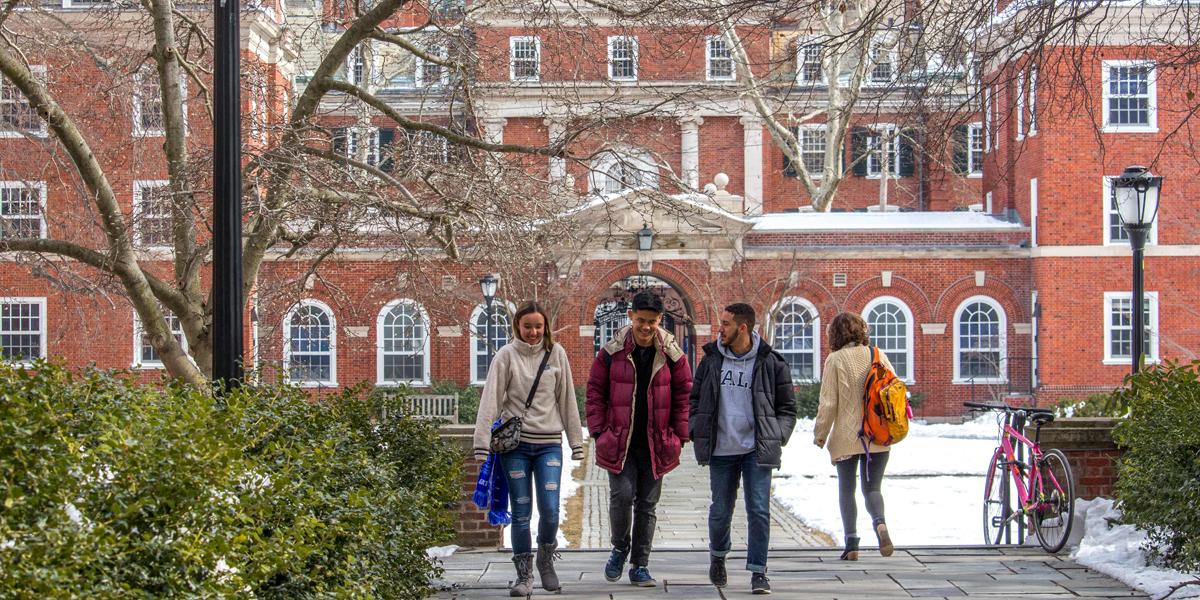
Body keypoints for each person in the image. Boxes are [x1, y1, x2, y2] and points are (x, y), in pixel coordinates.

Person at [472, 301, 584, 597]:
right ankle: (524, 575)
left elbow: (567, 399)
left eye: (538, 326)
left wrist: (576, 442)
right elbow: (491, 401)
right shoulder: (506, 356)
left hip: (549, 445)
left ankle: (545, 561)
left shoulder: (556, 354)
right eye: (527, 326)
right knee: (521, 512)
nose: (533, 332)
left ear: (545, 326)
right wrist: (481, 443)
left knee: (549, 510)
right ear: (517, 327)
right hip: (515, 447)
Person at [586, 291, 692, 587]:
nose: (646, 327)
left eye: (653, 321)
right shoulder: (611, 352)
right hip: (620, 440)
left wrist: (679, 435)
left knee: (647, 504)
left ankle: (640, 565)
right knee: (621, 497)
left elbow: (685, 395)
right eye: (641, 320)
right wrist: (598, 431)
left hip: (656, 442)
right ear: (631, 316)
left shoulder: (673, 354)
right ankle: (620, 547)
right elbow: (594, 392)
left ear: (660, 320)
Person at [690, 302, 797, 595]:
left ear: (743, 328)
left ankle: (758, 571)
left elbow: (788, 408)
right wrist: (695, 427)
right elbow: (695, 400)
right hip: (722, 449)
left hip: (756, 449)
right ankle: (718, 554)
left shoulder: (771, 362)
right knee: (720, 511)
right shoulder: (711, 360)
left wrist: (777, 435)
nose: (719, 329)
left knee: (759, 510)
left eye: (725, 324)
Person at [813, 312, 896, 561]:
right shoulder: (877, 355)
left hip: (846, 437)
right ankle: (880, 524)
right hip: (877, 435)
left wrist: (820, 435)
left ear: (834, 334)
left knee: (846, 490)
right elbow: (895, 388)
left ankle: (852, 544)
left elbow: (828, 403)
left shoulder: (835, 360)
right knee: (872, 488)